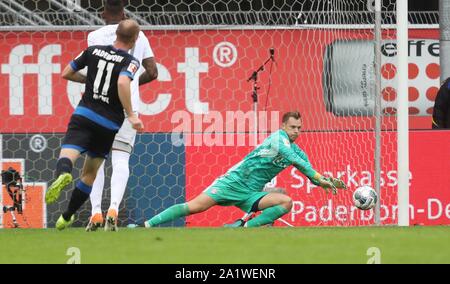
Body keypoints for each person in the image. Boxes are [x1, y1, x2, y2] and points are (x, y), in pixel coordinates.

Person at [143, 111, 347, 228]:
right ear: (284, 126)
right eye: (292, 127)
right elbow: (294, 160)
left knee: (286, 202)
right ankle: (147, 225)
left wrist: (323, 180)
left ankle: (243, 227)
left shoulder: (299, 152)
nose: (296, 131)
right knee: (195, 206)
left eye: (299, 128)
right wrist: (317, 176)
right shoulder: (277, 139)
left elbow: (307, 170)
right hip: (232, 182)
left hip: (250, 193)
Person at [45, 19, 144, 231]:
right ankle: (66, 216)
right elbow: (122, 82)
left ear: (115, 34)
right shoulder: (132, 61)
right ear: (135, 39)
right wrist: (131, 114)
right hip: (108, 123)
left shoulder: (93, 51)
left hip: (84, 114)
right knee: (90, 174)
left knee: (68, 156)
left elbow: (66, 73)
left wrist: (87, 80)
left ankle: (63, 173)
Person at [85, 0, 157, 232]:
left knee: (96, 161)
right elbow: (153, 71)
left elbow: (89, 71)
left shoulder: (93, 37)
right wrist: (131, 82)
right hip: (127, 107)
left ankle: (96, 212)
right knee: (121, 158)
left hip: (98, 105)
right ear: (125, 12)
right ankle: (114, 209)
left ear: (102, 12)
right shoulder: (139, 36)